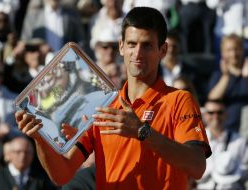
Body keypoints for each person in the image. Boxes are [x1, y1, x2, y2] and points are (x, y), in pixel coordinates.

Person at [15, 7, 211, 190]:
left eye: (147, 45)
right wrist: (39, 138)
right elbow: (62, 175)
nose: (138, 53)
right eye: (132, 44)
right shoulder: (102, 106)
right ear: (121, 47)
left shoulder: (179, 100)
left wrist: (143, 132)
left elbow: (197, 166)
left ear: (163, 50)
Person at [196, 99, 248, 190]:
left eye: (219, 112)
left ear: (226, 115)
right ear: (204, 115)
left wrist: (232, 172)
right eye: (211, 113)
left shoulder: (240, 140)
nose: (215, 116)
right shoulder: (196, 139)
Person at [207, 33, 248, 132]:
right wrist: (226, 76)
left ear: (243, 50)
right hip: (227, 131)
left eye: (237, 49)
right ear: (223, 53)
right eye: (229, 50)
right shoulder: (218, 75)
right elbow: (212, 99)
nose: (233, 54)